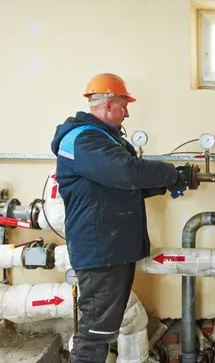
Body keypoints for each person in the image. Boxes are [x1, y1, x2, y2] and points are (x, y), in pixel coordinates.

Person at [50, 73, 188, 363]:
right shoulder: (83, 139)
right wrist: (169, 172)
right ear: (110, 104)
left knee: (102, 330)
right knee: (95, 335)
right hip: (100, 251)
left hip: (110, 249)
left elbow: (127, 184)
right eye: (124, 105)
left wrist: (171, 181)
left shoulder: (104, 139)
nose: (128, 111)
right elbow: (126, 172)